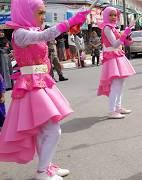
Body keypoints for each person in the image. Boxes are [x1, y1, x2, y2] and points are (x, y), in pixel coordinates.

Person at [0, 0, 89, 179]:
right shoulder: (20, 34)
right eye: (40, 13)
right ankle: (42, 171)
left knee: (44, 131)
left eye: (43, 12)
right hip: (31, 86)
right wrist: (69, 23)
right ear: (25, 12)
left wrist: (73, 23)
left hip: (41, 82)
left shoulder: (32, 31)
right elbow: (47, 35)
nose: (43, 17)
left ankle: (46, 167)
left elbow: (44, 38)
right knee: (53, 130)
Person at [97, 7, 135, 119]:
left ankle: (118, 107)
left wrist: (128, 33)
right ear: (105, 16)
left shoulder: (113, 28)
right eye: (111, 15)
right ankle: (111, 110)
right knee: (116, 85)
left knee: (121, 84)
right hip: (112, 58)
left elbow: (125, 43)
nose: (114, 17)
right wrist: (126, 32)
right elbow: (114, 44)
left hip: (118, 56)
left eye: (115, 15)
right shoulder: (107, 28)